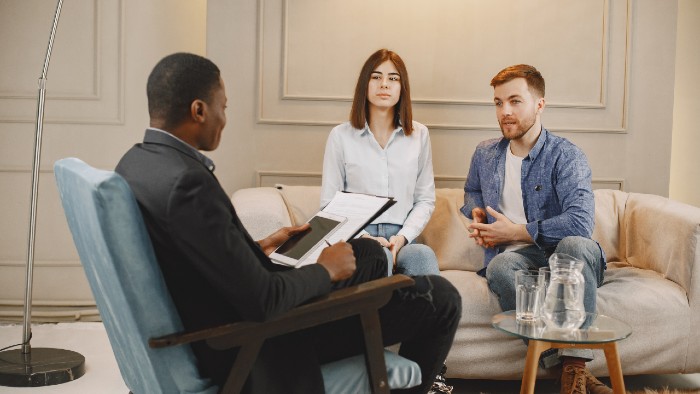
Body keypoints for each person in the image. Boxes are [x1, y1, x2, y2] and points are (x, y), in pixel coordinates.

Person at [115, 52, 461, 394]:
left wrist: (261, 245)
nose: (224, 117)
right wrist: (324, 270)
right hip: (258, 342)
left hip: (236, 317)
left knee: (367, 253)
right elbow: (263, 299)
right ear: (199, 110)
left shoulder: (139, 164)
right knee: (441, 298)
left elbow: (203, 256)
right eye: (223, 106)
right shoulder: (187, 185)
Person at [460, 64, 611, 394]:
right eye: (498, 103)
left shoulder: (566, 156)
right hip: (522, 260)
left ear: (539, 104)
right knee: (500, 266)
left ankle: (573, 366)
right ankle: (570, 373)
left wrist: (514, 231)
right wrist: (475, 210)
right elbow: (471, 189)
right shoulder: (485, 153)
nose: (505, 112)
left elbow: (581, 223)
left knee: (573, 245)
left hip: (571, 258)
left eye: (515, 101)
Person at [321, 48, 440, 278]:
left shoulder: (420, 135)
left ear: (401, 87)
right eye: (376, 77)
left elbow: (425, 199)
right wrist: (365, 237)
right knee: (377, 256)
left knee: (423, 256)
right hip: (358, 237)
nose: (384, 84)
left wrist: (402, 237)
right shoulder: (340, 136)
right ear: (364, 85)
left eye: (393, 78)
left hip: (404, 236)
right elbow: (330, 203)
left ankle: (430, 314)